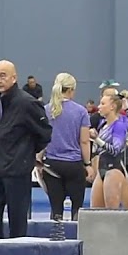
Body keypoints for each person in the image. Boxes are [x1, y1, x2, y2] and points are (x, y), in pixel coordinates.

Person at [0, 60, 53, 239]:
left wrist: (25, 153)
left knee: (17, 219)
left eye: (3, 76)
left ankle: (16, 251)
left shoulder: (27, 103)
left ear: (14, 78)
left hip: (17, 170)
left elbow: (45, 133)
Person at [41, 73, 91, 228]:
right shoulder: (81, 111)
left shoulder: (46, 110)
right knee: (77, 208)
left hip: (52, 165)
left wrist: (38, 160)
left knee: (56, 209)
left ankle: (56, 236)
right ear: (71, 90)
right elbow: (84, 141)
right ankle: (76, 236)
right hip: (73, 164)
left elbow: (42, 138)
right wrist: (88, 164)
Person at [90, 92, 128, 209]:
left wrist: (97, 139)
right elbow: (98, 150)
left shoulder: (119, 125)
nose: (99, 106)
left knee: (111, 211)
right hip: (101, 167)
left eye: (103, 104)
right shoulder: (103, 124)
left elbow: (115, 150)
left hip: (113, 168)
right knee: (96, 210)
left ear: (112, 107)